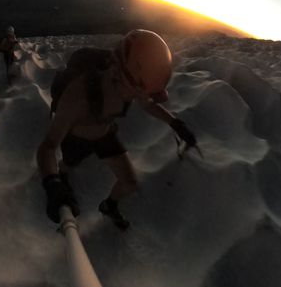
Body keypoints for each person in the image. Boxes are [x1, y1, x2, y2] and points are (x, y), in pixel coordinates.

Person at [36, 29, 198, 230]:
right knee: (69, 163)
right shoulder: (79, 95)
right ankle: (64, 174)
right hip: (77, 137)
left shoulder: (130, 81)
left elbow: (146, 103)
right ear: (118, 72)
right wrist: (52, 183)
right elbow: (49, 145)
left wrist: (175, 124)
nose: (140, 96)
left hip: (105, 133)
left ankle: (109, 206)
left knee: (129, 183)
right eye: (138, 90)